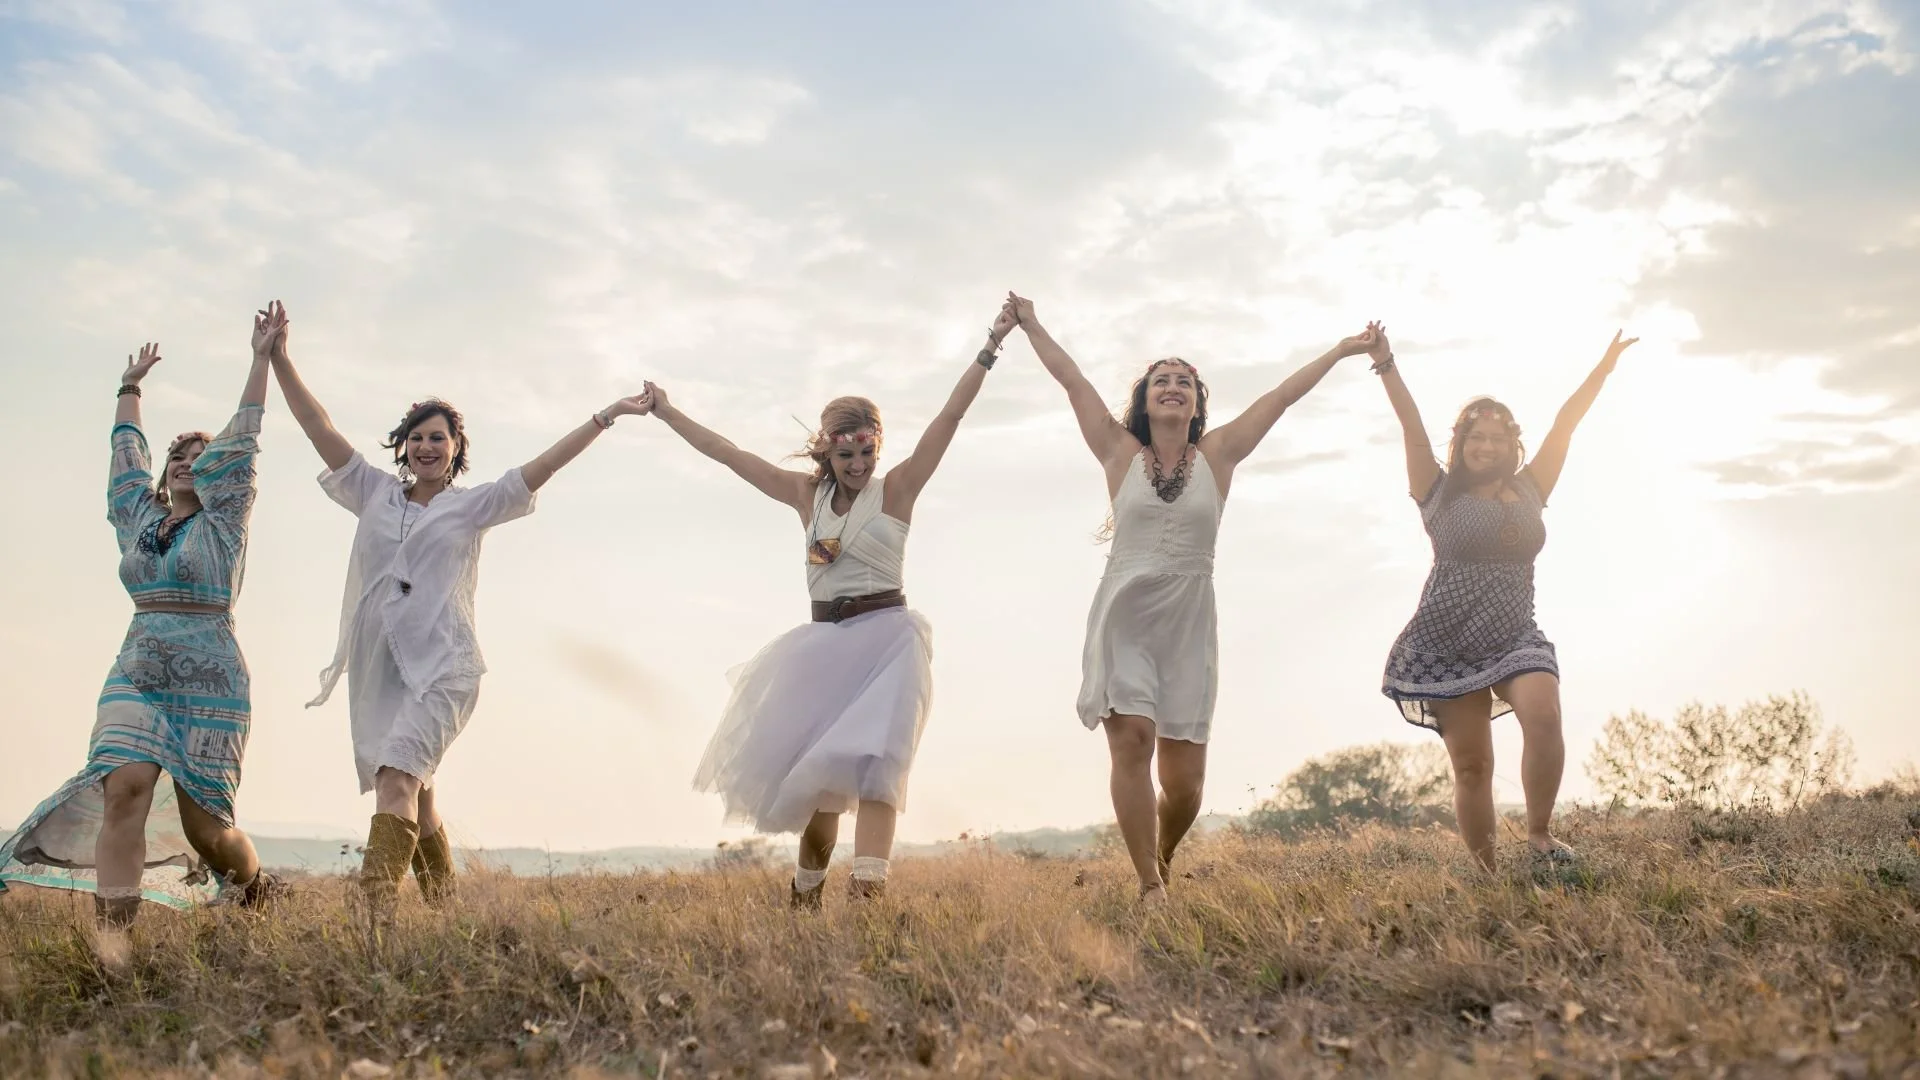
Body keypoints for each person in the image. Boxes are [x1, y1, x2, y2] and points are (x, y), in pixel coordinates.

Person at [267, 309, 650, 913]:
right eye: (416, 436)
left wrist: (605, 416)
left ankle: (375, 922)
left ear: (455, 449)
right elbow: (318, 425)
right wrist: (279, 358)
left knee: (396, 780)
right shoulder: (372, 492)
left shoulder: (473, 507)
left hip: (444, 667)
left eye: (437, 437)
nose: (425, 446)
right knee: (417, 796)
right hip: (381, 669)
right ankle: (448, 914)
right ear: (403, 446)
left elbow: (545, 466)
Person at [1006, 292, 1375, 905]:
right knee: (1132, 742)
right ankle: (1150, 887)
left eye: (1184, 382)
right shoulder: (1117, 451)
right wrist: (1031, 323)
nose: (1173, 387)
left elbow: (1280, 398)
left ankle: (1164, 854)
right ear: (1145, 400)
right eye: (1161, 381)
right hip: (1126, 614)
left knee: (1185, 787)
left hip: (1187, 623)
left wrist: (1340, 351)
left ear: (1198, 402)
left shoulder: (1220, 455)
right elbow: (1072, 382)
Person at [644, 304, 1015, 906]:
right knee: (821, 784)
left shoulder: (897, 489)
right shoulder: (804, 496)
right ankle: (806, 891)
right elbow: (725, 452)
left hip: (889, 640)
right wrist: (667, 411)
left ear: (877, 448)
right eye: (845, 455)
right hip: (822, 648)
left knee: (878, 768)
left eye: (866, 452)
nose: (858, 464)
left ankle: (869, 894)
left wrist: (989, 348)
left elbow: (951, 415)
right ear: (827, 453)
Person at [0, 305, 291, 928]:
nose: (189, 461)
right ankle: (114, 945)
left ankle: (254, 884)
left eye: (201, 455)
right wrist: (129, 389)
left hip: (209, 679)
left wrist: (261, 359)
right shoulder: (138, 517)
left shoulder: (225, 522)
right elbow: (125, 456)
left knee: (208, 829)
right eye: (178, 454)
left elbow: (244, 434)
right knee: (124, 787)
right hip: (137, 667)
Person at [1369, 322, 1639, 870]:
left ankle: (1539, 837)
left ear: (1511, 445)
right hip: (1446, 640)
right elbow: (1411, 427)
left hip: (1516, 632)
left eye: (1496, 439)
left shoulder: (1532, 488)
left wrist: (1602, 371)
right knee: (1473, 768)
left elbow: (1566, 424)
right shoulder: (1437, 492)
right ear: (1462, 445)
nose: (1486, 446)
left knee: (1543, 714)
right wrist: (1386, 363)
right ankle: (1488, 875)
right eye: (1476, 438)